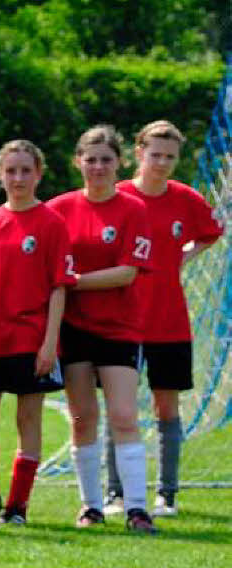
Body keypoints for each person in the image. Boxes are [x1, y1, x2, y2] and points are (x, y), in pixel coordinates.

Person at [102, 120, 223, 517]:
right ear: (138, 153)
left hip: (170, 323)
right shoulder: (117, 197)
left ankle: (166, 494)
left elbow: (210, 233)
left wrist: (184, 254)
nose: (162, 162)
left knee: (166, 408)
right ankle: (114, 493)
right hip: (122, 321)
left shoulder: (186, 200)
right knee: (119, 409)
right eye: (155, 154)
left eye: (170, 157)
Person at [0, 140, 76, 526]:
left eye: (26, 170)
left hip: (29, 339)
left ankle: (17, 508)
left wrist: (49, 343)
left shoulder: (51, 223)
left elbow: (59, 287)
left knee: (28, 421)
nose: (18, 178)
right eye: (11, 170)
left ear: (39, 174)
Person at [47, 125, 156, 532]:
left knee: (125, 416)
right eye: (90, 159)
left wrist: (74, 280)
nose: (97, 167)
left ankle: (137, 508)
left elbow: (128, 272)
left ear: (119, 164)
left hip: (119, 328)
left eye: (105, 160)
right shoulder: (58, 209)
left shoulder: (133, 210)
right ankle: (90, 506)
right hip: (73, 329)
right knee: (82, 417)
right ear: (78, 162)